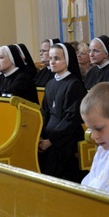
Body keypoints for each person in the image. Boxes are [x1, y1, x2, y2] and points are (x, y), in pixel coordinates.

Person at [38, 42, 87, 182]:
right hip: (48, 137)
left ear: (68, 60)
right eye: (51, 58)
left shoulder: (74, 84)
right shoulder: (50, 84)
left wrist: (51, 140)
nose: (52, 62)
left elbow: (71, 118)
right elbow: (44, 112)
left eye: (57, 58)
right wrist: (40, 135)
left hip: (66, 140)